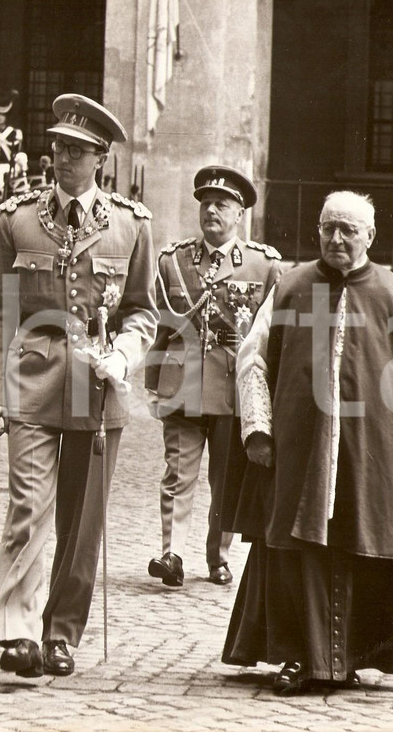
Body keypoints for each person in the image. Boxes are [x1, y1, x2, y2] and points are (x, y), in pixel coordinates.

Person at [221, 190, 393, 694]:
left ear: (370, 236)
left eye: (348, 230)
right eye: (328, 227)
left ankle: (352, 657)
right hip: (297, 444)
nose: (336, 238)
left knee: (364, 542)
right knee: (294, 548)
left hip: (372, 448)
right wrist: (259, 431)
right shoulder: (290, 287)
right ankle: (296, 657)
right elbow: (253, 361)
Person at [0, 93, 157, 678]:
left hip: (95, 386)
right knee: (30, 506)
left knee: (82, 523)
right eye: (57, 147)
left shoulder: (131, 226)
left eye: (77, 151)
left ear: (100, 159)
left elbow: (142, 312)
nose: (62, 159)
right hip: (31, 382)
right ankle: (17, 633)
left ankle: (60, 634)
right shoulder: (18, 219)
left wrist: (125, 353)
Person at [145, 166, 281, 587]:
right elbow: (156, 325)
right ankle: (172, 554)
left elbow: (274, 332)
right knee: (177, 472)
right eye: (205, 203)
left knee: (226, 481)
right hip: (182, 386)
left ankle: (217, 556)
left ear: (240, 213)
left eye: (222, 204)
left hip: (231, 392)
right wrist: (153, 383)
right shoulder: (174, 260)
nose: (211, 211)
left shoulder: (264, 264)